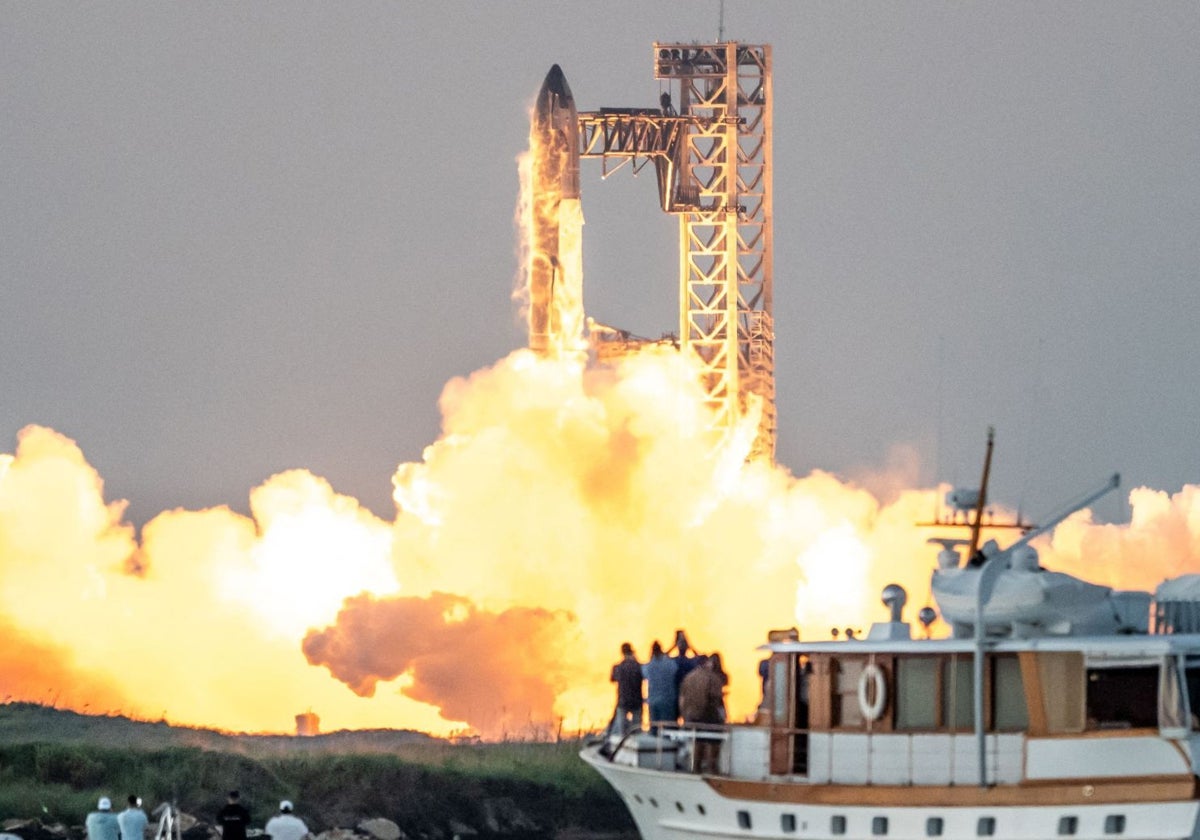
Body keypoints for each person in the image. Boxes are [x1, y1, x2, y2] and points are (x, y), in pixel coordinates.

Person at [678, 655, 726, 773]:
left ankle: (696, 768)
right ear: (707, 663)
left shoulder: (688, 677)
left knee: (697, 741)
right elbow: (717, 699)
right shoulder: (712, 678)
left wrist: (684, 715)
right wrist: (722, 715)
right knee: (712, 742)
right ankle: (712, 768)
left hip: (691, 717)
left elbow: (682, 699)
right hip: (708, 716)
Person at [641, 640, 679, 731]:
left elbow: (644, 674)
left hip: (653, 700)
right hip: (668, 700)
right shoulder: (669, 663)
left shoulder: (649, 666)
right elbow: (675, 670)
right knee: (668, 728)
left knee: (654, 728)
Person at [609, 642, 644, 735]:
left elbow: (612, 679)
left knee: (622, 731)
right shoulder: (638, 666)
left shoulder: (618, 667)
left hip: (623, 701)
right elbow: (644, 676)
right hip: (637, 701)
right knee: (637, 730)